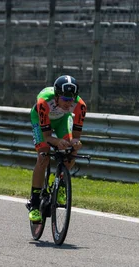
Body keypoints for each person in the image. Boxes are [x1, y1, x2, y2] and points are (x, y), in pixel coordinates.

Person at [26, 75, 86, 222]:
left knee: (72, 151)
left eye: (71, 99)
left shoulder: (80, 106)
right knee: (43, 157)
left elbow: (75, 137)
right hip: (40, 122)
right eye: (65, 99)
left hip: (61, 121)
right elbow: (47, 136)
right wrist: (57, 141)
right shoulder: (44, 101)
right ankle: (34, 204)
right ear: (57, 95)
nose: (68, 103)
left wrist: (75, 143)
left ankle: (61, 184)